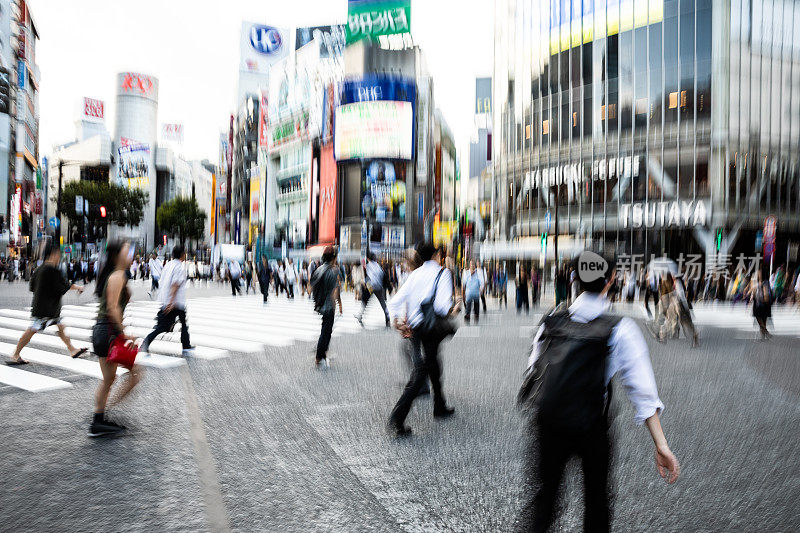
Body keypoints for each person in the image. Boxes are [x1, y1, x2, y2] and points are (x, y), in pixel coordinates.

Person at [520, 251, 680, 532]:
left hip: (548, 423)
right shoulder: (620, 329)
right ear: (611, 280)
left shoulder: (550, 322)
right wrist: (661, 445)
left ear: (575, 279)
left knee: (544, 500)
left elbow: (535, 369)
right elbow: (643, 393)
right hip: (591, 427)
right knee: (596, 500)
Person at [387, 242, 457, 437]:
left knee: (433, 364)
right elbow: (443, 308)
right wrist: (454, 308)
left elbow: (394, 301)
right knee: (421, 372)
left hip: (416, 328)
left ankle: (440, 406)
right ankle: (397, 419)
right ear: (435, 254)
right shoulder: (443, 274)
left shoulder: (415, 274)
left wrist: (396, 321)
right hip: (432, 329)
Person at [89, 241, 143, 437]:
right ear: (117, 256)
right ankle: (102, 414)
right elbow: (113, 308)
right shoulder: (117, 275)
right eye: (126, 250)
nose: (130, 253)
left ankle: (99, 418)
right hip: (108, 332)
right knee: (135, 374)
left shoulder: (118, 275)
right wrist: (123, 334)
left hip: (103, 330)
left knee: (108, 379)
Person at [6, 242, 87, 365]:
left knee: (60, 327)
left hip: (45, 307)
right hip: (46, 309)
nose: (59, 257)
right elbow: (63, 286)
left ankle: (72, 350)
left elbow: (32, 287)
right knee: (32, 330)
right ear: (53, 255)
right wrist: (78, 288)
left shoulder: (39, 269)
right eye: (58, 254)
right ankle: (16, 354)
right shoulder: (53, 270)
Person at [140, 245, 194, 357]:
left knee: (183, 322)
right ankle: (146, 342)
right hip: (175, 302)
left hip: (170, 300)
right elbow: (175, 285)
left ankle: (186, 343)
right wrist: (171, 302)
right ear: (182, 255)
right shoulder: (179, 267)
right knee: (163, 327)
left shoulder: (168, 265)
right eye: (184, 253)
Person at [311, 246, 342, 368]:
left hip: (320, 304)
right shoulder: (334, 271)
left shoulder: (319, 269)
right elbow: (335, 291)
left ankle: (321, 355)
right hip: (329, 306)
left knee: (324, 330)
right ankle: (320, 356)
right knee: (326, 332)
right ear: (334, 257)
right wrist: (338, 305)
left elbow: (312, 286)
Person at [356, 253, 391, 327]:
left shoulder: (368, 266)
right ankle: (387, 317)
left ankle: (360, 315)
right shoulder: (378, 266)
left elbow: (368, 277)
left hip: (371, 286)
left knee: (365, 301)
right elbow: (382, 275)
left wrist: (366, 285)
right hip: (379, 286)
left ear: (368, 258)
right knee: (382, 302)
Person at [749, 270, 773, 340]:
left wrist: (766, 299)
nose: (758, 275)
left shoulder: (765, 282)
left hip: (763, 302)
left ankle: (764, 334)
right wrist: (751, 296)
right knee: (759, 317)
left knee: (762, 318)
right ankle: (765, 332)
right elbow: (753, 290)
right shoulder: (756, 282)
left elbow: (766, 292)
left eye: (760, 274)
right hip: (757, 301)